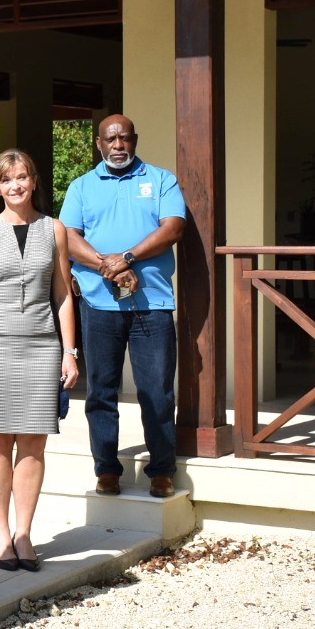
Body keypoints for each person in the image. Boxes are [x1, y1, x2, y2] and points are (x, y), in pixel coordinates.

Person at [0, 150, 78, 574]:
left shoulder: (54, 229)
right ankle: (2, 532)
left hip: (42, 345)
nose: (15, 186)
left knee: (33, 441)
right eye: (7, 180)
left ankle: (25, 533)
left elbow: (62, 295)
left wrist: (70, 351)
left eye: (22, 177)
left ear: (33, 180)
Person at [59, 115, 185, 499]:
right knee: (100, 391)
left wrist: (127, 257)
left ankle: (161, 470)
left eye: (124, 138)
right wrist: (106, 266)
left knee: (156, 390)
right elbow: (66, 235)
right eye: (110, 139)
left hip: (153, 304)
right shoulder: (82, 187)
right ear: (99, 143)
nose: (118, 145)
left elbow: (174, 228)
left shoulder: (161, 180)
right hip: (99, 304)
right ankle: (107, 470)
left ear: (135, 140)